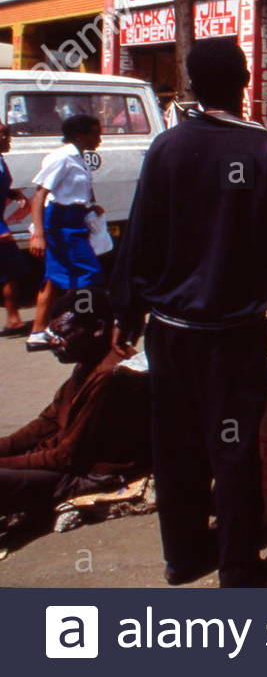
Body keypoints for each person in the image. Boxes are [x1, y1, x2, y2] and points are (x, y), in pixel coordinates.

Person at [110, 38, 267, 588]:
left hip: (168, 334)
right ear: (244, 83)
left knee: (176, 447)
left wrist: (126, 313)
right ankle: (239, 569)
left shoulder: (166, 148)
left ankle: (184, 556)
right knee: (233, 448)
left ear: (193, 86)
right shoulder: (265, 151)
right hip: (231, 336)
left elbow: (139, 237)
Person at [0, 288, 149, 528]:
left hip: (89, 474)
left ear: (98, 329)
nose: (53, 343)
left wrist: (6, 462)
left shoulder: (110, 375)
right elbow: (46, 421)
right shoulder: (88, 360)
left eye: (64, 334)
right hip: (65, 459)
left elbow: (66, 457)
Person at [25, 114, 104, 352]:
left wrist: (90, 207)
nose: (99, 138)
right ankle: (79, 322)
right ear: (80, 135)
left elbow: (77, 191)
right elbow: (39, 195)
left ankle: (38, 332)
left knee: (54, 278)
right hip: (61, 223)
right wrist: (38, 233)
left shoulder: (79, 157)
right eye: (95, 132)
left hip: (75, 218)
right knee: (89, 274)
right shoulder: (62, 157)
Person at [0, 123, 31, 335]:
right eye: (4, 135)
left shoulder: (1, 160)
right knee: (9, 270)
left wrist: (14, 195)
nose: (8, 139)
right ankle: (12, 318)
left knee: (11, 271)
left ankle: (13, 318)